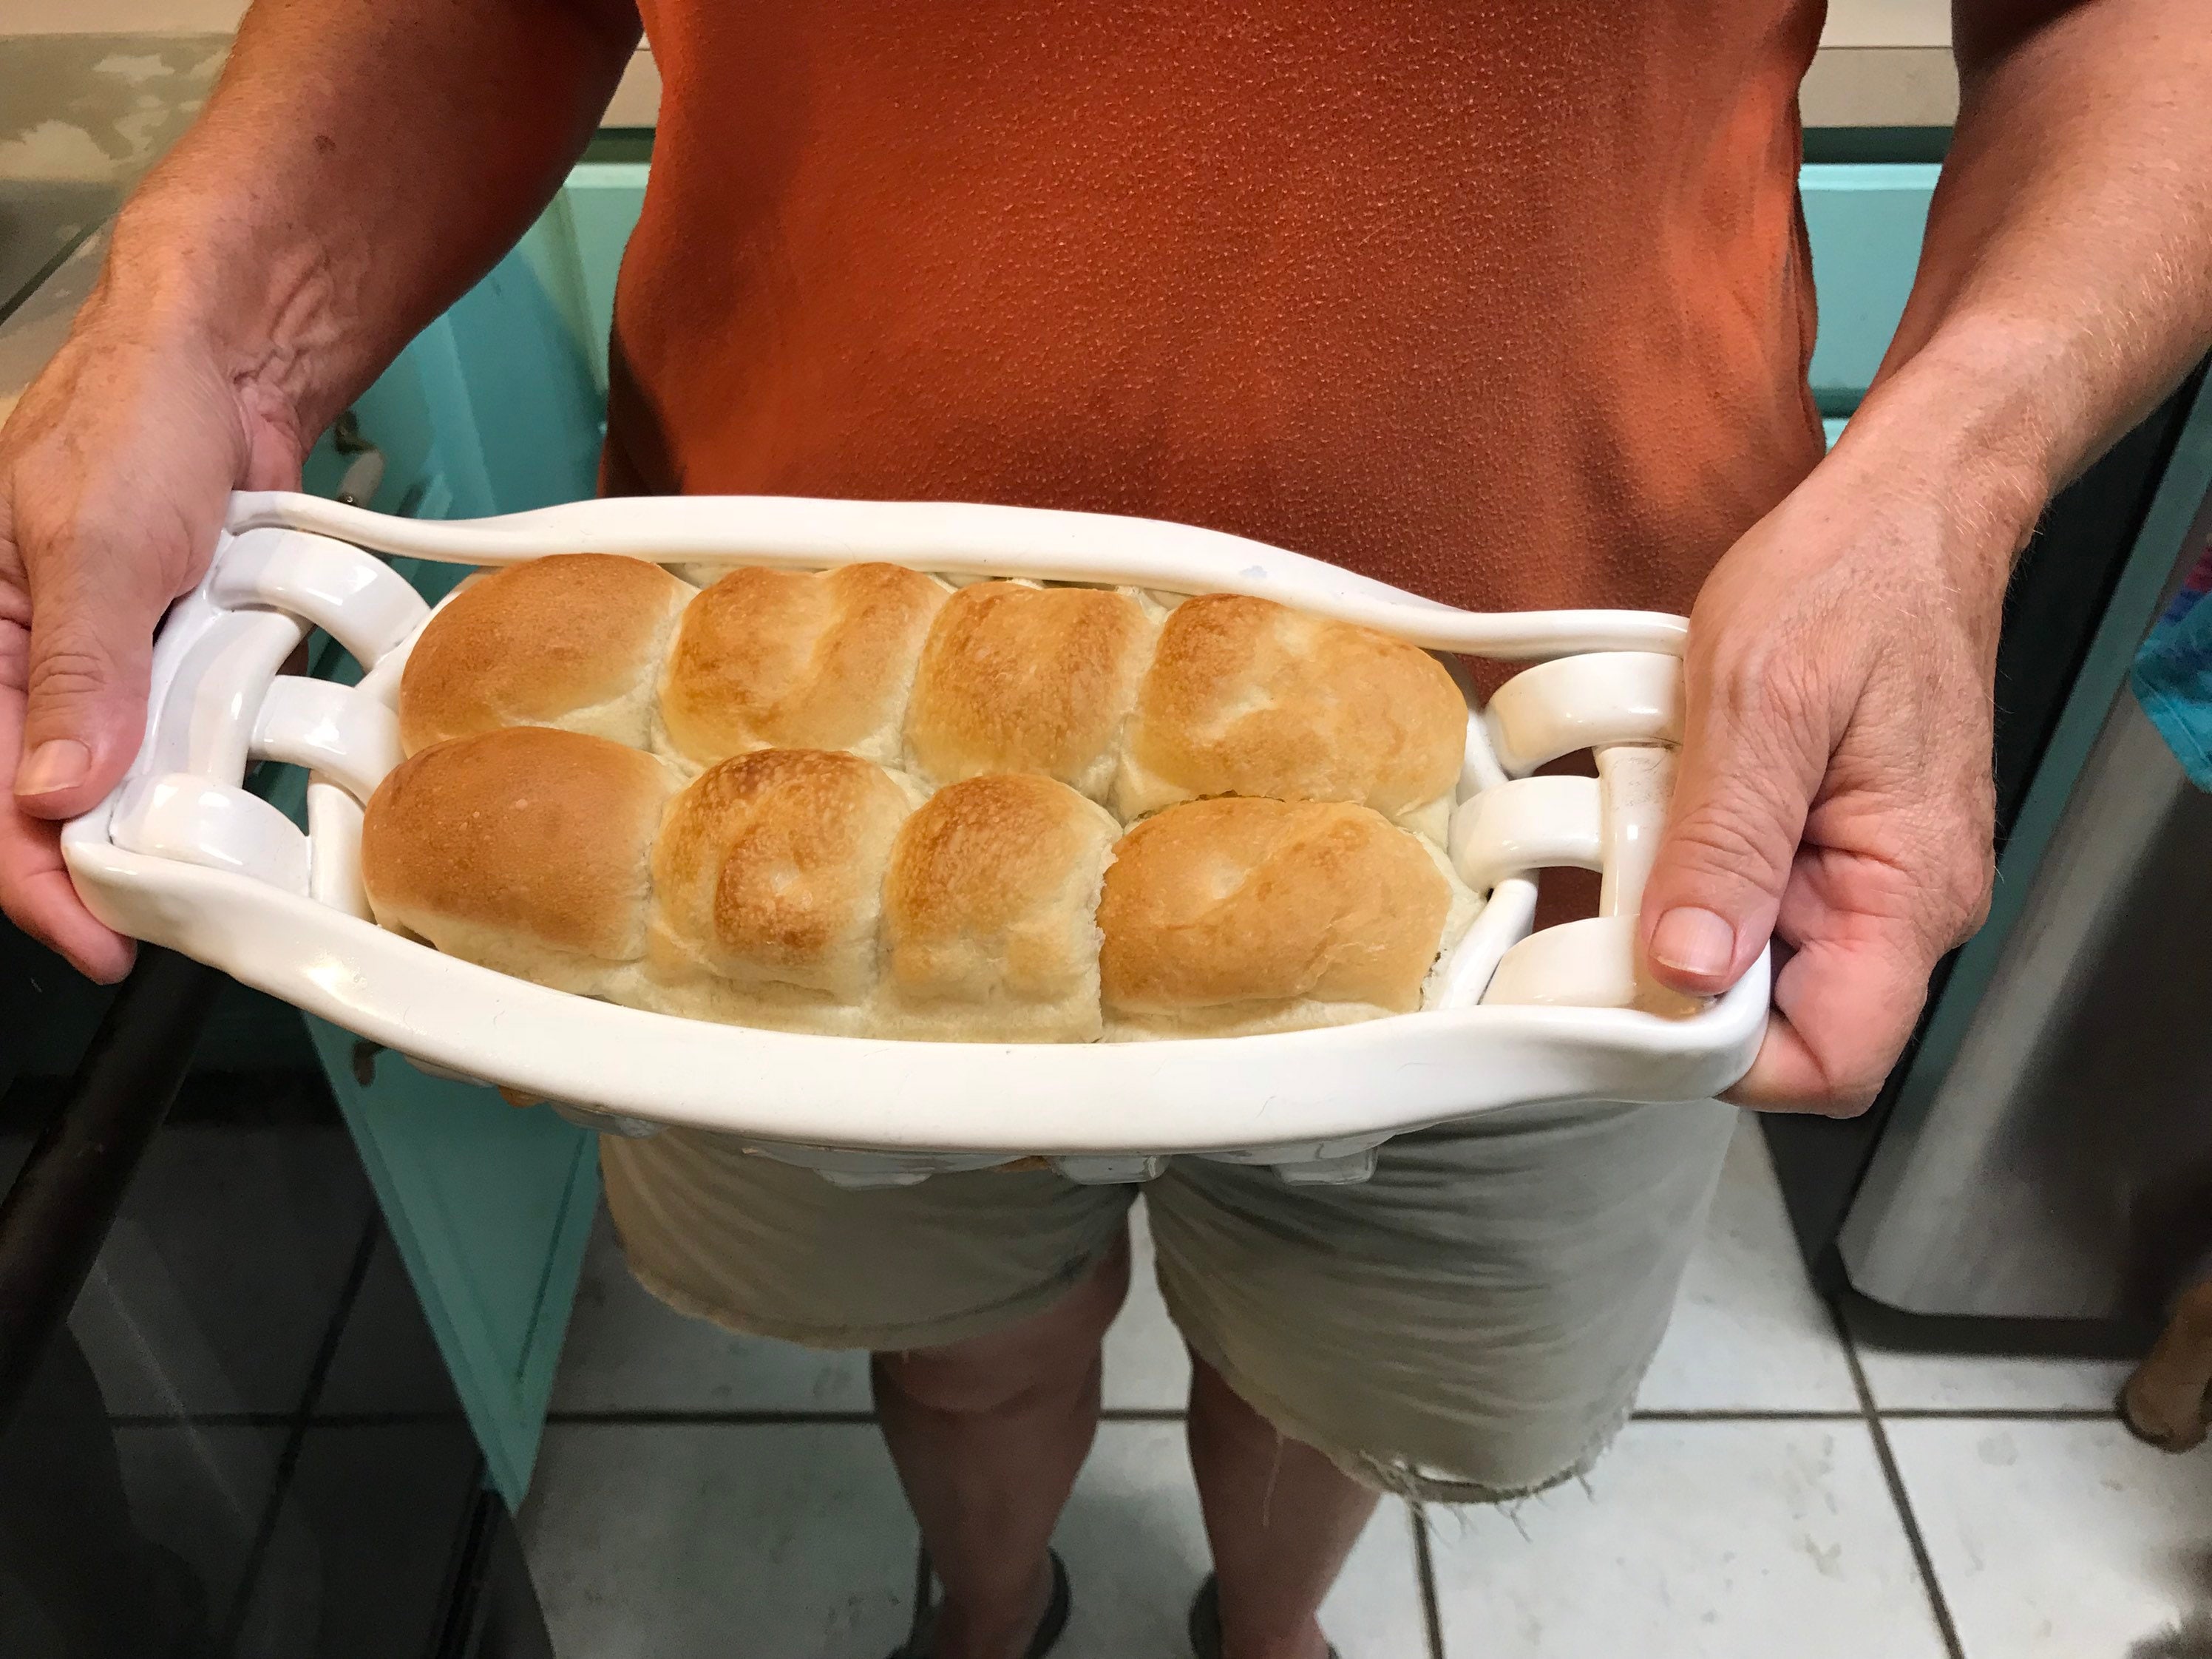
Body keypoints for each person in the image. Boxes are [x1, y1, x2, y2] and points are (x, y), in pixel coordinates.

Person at [3, 3, 2208, 1655]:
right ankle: (992, 1617)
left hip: (1590, 773)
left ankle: (1258, 1635)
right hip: (719, 784)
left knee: (1332, 1365)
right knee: (950, 1317)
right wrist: (209, 297)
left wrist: (1961, 464)